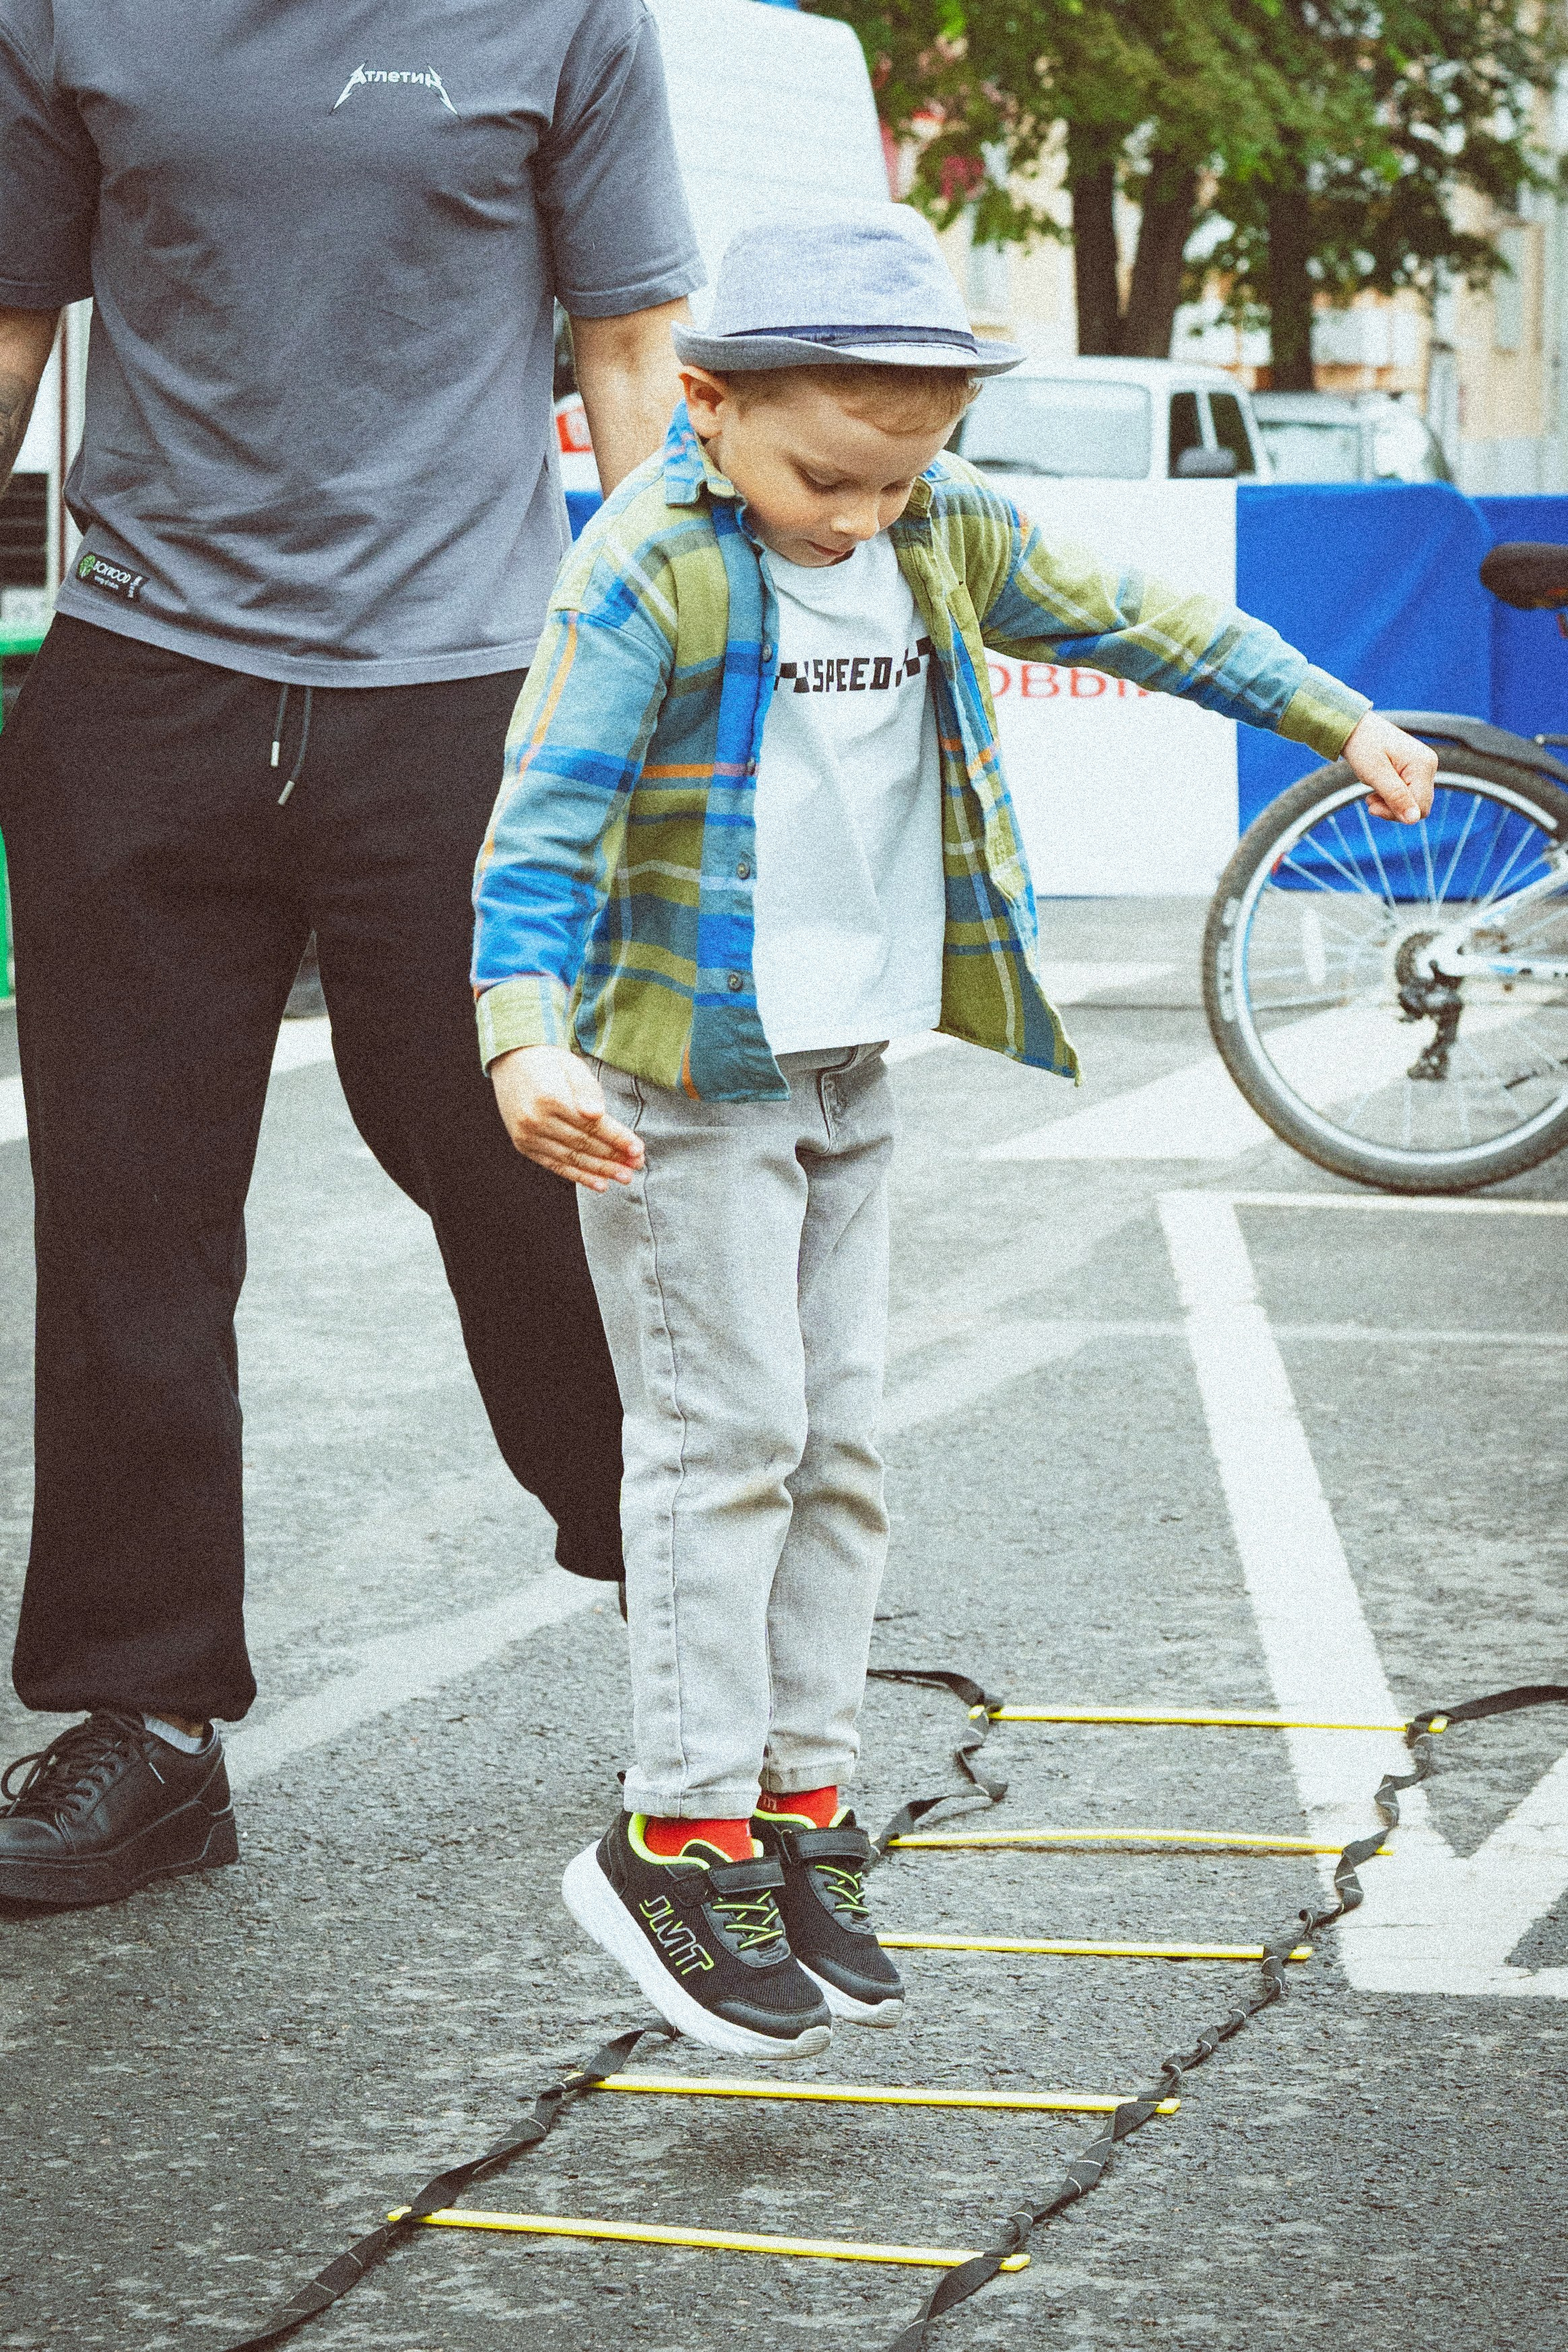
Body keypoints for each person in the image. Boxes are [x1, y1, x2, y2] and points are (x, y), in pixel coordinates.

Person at [473, 204, 1439, 2060]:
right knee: (721, 1444)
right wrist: (523, 1038)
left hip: (849, 1064)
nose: (860, 518)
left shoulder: (938, 528)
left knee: (838, 1451)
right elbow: (547, 818)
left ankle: (798, 1804)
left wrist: (1333, 716)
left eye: (899, 480)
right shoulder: (648, 568)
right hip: (687, 1078)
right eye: (825, 479)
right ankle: (674, 1827)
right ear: (711, 407)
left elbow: (1141, 617)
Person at [0, 0, 704, 1909]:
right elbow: (11, 323)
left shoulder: (565, 16)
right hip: (148, 681)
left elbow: (633, 349)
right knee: (126, 1214)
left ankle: (696, 1620)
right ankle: (147, 1717)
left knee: (523, 1174)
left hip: (467, 698)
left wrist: (675, 694)